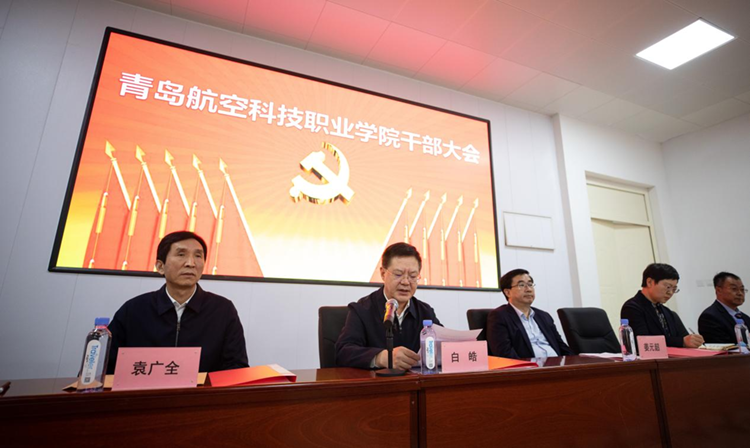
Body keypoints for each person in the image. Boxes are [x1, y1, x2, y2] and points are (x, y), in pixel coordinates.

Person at [107, 231, 248, 373]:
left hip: (202, 388)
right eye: (181, 254)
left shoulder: (222, 310)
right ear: (160, 267)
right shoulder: (134, 310)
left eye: (198, 256)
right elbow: (107, 366)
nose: (191, 263)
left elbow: (236, 367)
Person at [335, 242, 440, 370]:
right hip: (377, 381)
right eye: (398, 274)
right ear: (383, 273)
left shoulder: (425, 311)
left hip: (415, 381)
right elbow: (343, 352)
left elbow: (444, 346)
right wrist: (380, 358)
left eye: (413, 276)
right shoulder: (362, 310)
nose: (406, 282)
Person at [486, 268, 573, 359]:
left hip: (557, 364)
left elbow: (562, 346)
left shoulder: (544, 316)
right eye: (521, 285)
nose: (528, 289)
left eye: (530, 284)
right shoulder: (499, 316)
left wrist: (575, 361)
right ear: (508, 292)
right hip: (529, 366)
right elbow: (504, 353)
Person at [621, 263, 704, 348]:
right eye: (668, 287)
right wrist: (681, 342)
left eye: (674, 289)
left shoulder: (668, 313)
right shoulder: (632, 308)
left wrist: (693, 341)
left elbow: (684, 338)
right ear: (649, 282)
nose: (670, 292)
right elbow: (643, 342)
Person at [698, 272, 750, 343]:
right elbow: (721, 346)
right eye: (734, 289)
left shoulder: (745, 318)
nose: (740, 293)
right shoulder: (709, 317)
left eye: (742, 289)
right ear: (719, 290)